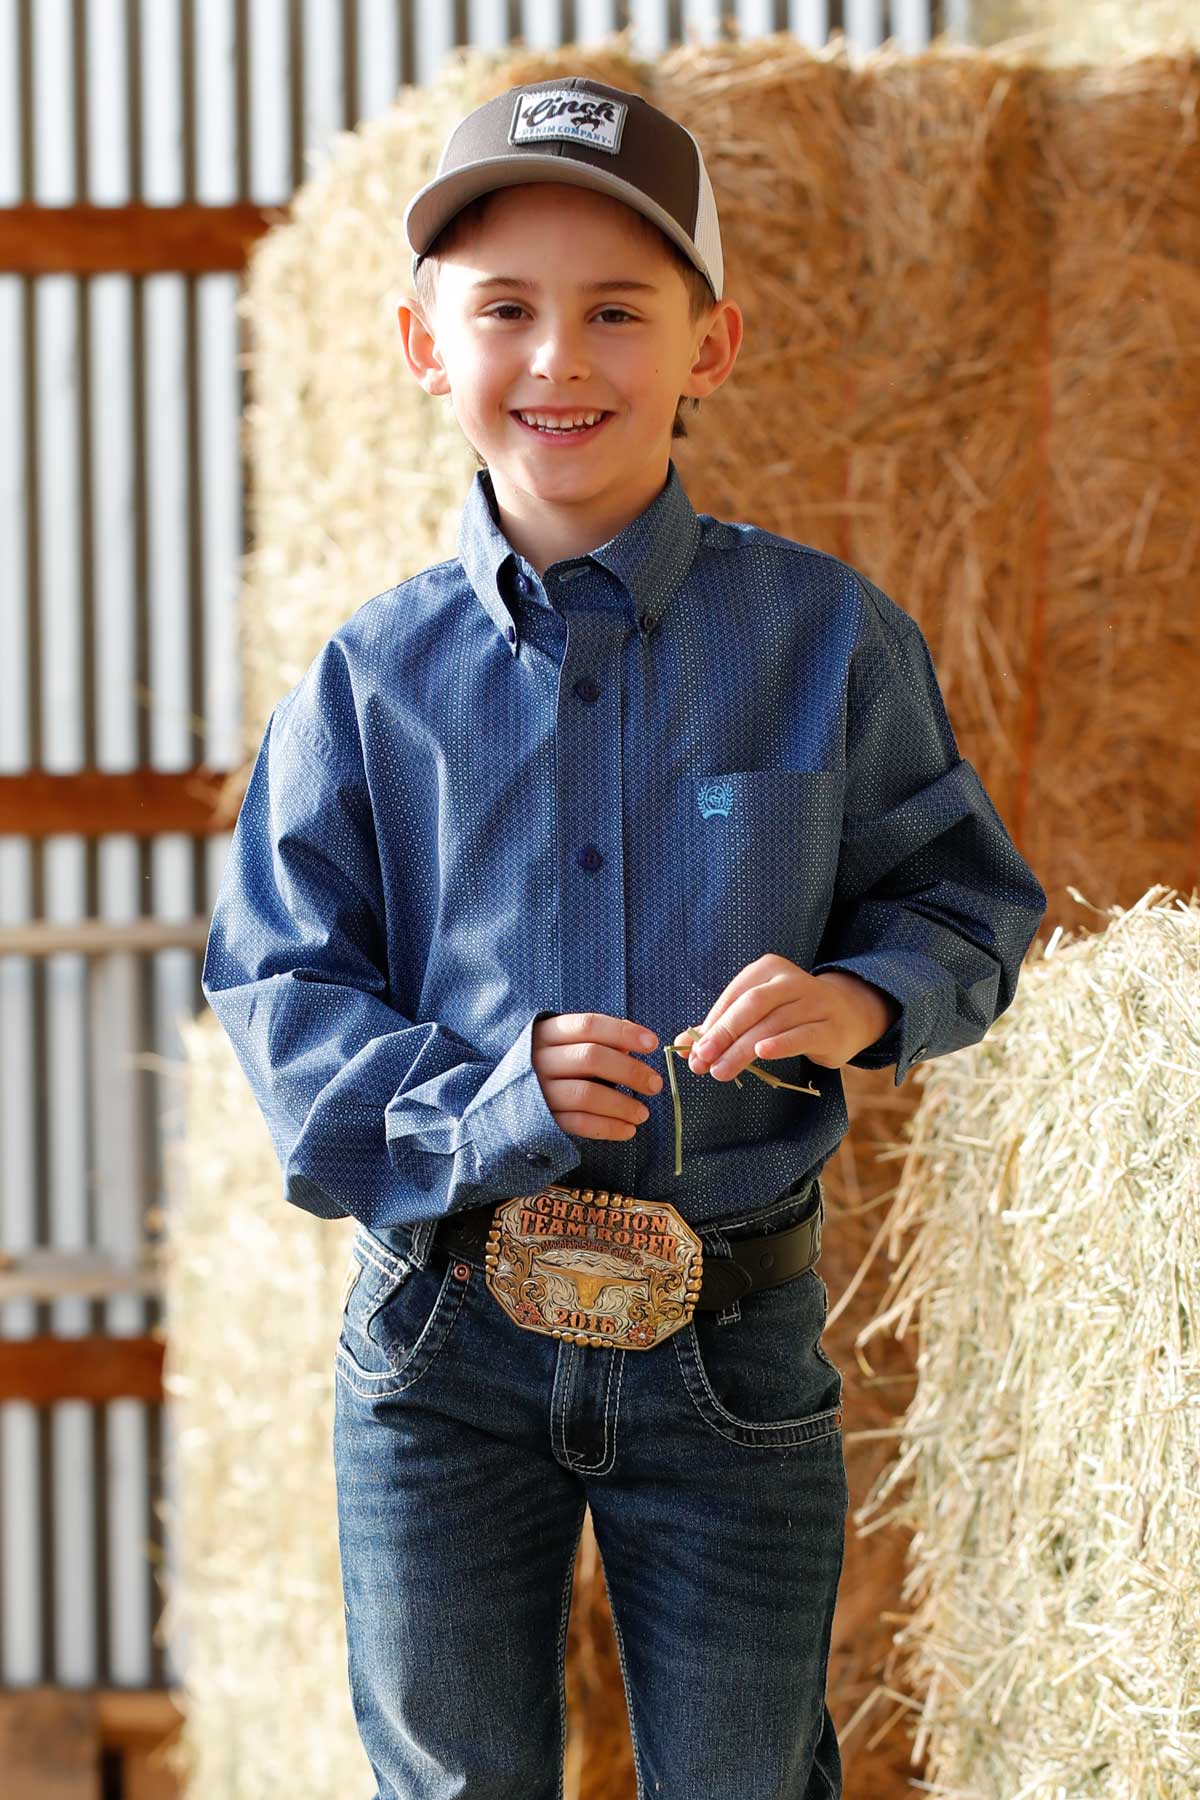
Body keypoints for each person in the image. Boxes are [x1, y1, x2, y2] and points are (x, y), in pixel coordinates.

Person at [201, 75, 1047, 1800]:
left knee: (745, 1778)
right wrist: (492, 1100)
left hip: (730, 1338)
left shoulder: (826, 639)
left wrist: (856, 997)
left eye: (615, 312)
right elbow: (282, 992)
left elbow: (965, 902)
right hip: (440, 1348)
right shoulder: (367, 684)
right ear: (423, 346)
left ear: (710, 345)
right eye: (505, 310)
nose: (558, 360)